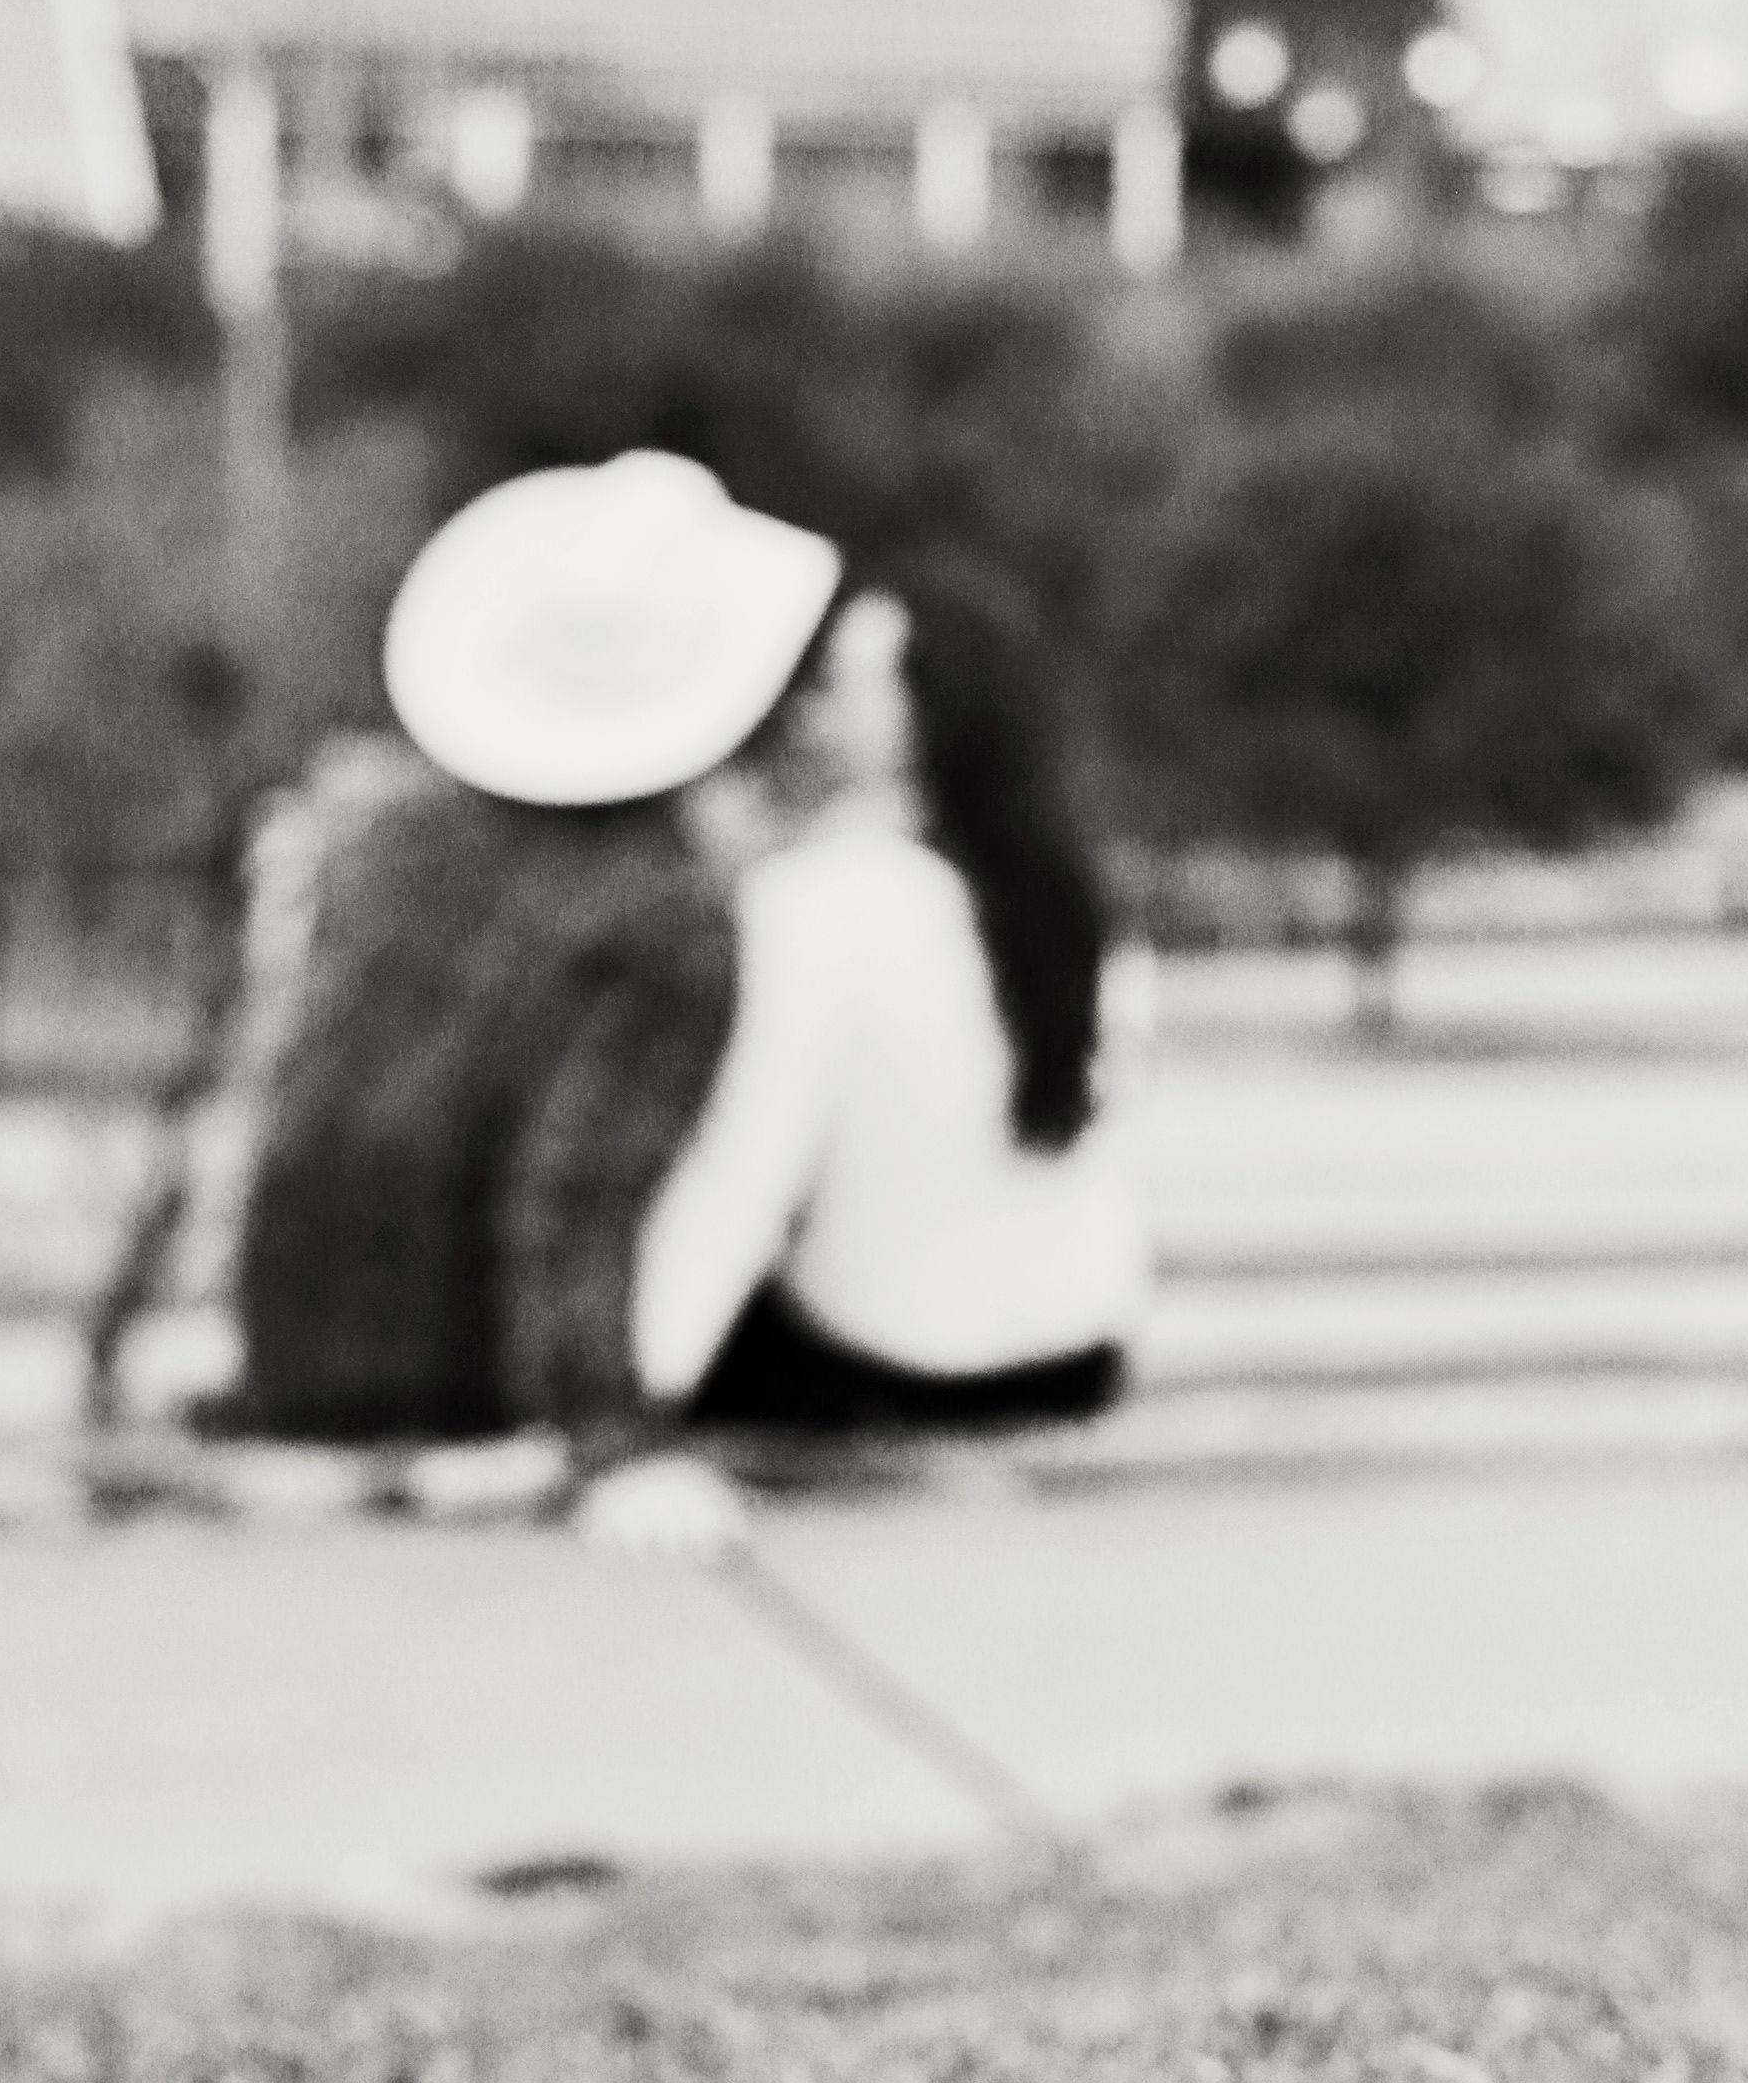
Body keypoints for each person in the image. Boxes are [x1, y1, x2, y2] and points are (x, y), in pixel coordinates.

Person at [214, 453, 839, 1447]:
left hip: (293, 1367)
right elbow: (573, 1193)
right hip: (460, 1391)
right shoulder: (663, 918)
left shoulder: (385, 844)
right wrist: (605, 1438)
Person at [622, 561, 1151, 1446]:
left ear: (926, 711)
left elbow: (745, 1171)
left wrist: (640, 1391)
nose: (810, 710)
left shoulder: (816, 900)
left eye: (841, 683)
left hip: (892, 1369)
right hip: (1081, 1354)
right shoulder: (1077, 909)